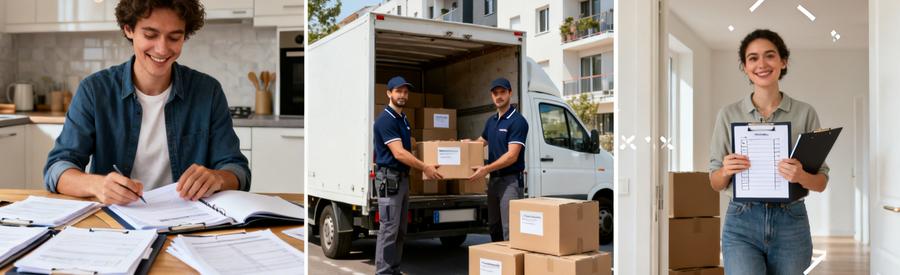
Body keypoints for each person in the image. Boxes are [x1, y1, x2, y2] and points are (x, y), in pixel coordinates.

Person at [44, 0, 250, 205]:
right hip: (116, 222)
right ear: (129, 29)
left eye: (174, 37)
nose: (162, 49)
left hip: (188, 221)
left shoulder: (208, 91)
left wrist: (218, 178)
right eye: (150, 35)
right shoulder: (95, 91)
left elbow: (238, 170)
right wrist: (96, 185)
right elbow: (57, 169)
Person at [708, 29, 829, 274]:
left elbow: (820, 182)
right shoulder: (728, 114)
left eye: (769, 56)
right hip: (741, 220)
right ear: (744, 66)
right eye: (752, 58)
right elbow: (714, 182)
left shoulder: (805, 113)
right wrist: (726, 171)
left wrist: (800, 176)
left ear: (783, 61)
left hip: (791, 222)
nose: (761, 64)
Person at [373, 76, 442, 275]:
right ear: (389, 93)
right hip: (390, 180)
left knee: (400, 230)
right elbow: (399, 153)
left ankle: (394, 269)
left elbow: (409, 148)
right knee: (389, 230)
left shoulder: (402, 119)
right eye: (398, 91)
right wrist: (425, 167)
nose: (402, 95)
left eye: (405, 92)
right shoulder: (385, 119)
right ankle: (383, 272)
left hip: (402, 179)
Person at [466, 77, 528, 242]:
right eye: (495, 93)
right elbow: (481, 142)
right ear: (491, 96)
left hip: (510, 181)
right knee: (494, 227)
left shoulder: (518, 121)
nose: (499, 96)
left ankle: (512, 267)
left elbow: (512, 156)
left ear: (510, 93)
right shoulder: (491, 121)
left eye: (502, 92)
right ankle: (499, 265)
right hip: (494, 181)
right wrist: (464, 145)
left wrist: (485, 169)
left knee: (510, 230)